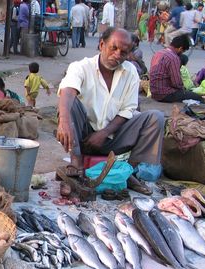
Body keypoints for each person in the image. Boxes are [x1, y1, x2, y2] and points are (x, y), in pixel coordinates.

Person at [56, 28, 164, 195]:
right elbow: (67, 90)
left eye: (123, 52)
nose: (117, 55)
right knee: (69, 103)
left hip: (113, 136)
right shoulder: (81, 67)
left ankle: (128, 172)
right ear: (101, 45)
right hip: (83, 136)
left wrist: (104, 133)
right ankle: (76, 163)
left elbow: (129, 109)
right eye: (113, 48)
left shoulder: (130, 72)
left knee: (156, 118)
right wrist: (63, 121)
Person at [149, 35, 203, 103]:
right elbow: (176, 83)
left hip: (154, 92)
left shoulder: (158, 53)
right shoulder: (174, 58)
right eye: (183, 51)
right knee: (197, 97)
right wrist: (184, 89)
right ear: (180, 48)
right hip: (165, 94)